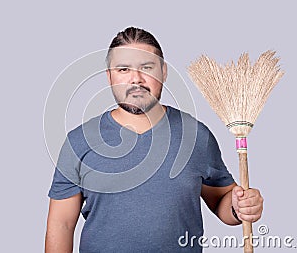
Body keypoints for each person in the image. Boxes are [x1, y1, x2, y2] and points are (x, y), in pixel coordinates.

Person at [45, 27, 264, 252]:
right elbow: (61, 225)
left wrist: (239, 207)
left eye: (146, 67)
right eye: (123, 69)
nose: (136, 79)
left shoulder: (196, 135)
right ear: (109, 76)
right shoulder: (79, 141)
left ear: (163, 72)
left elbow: (221, 201)